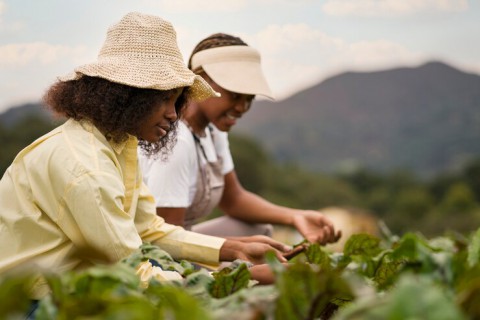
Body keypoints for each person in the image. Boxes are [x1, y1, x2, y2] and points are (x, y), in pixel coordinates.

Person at [0, 13, 288, 302]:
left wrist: (231, 249)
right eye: (163, 98)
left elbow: (148, 229)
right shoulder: (85, 167)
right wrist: (241, 278)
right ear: (126, 95)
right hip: (31, 304)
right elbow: (135, 275)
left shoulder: (118, 145)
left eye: (176, 100)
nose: (173, 114)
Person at [139, 33, 341, 245]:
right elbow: (166, 241)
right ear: (203, 81)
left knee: (258, 229)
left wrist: (295, 217)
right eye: (235, 95)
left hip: (180, 242)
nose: (242, 108)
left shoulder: (213, 131)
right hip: (156, 253)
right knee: (255, 252)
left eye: (249, 98)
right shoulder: (178, 143)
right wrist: (239, 248)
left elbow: (233, 199)